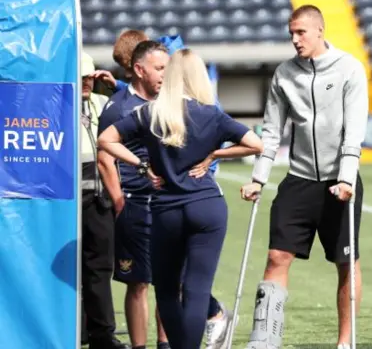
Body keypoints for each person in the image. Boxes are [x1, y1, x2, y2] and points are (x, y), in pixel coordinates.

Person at [97, 48, 263, 349]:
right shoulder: (211, 113)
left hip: (165, 209)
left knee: (166, 290)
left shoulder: (149, 113)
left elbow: (105, 140)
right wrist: (215, 152)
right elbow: (256, 144)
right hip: (207, 206)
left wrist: (142, 166)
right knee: (197, 290)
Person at [239, 4, 369, 349]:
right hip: (298, 179)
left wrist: (346, 178)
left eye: (301, 32)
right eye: (291, 33)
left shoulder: (349, 69)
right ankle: (264, 341)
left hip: (340, 181)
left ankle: (345, 343)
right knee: (277, 257)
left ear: (319, 31)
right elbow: (271, 132)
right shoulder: (284, 73)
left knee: (345, 262)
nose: (295, 40)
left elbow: (354, 131)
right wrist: (258, 178)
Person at [97, 40, 171, 349]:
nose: (165, 75)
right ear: (139, 70)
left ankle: (166, 344)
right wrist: (119, 202)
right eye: (159, 69)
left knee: (170, 280)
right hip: (134, 204)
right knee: (138, 282)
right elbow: (105, 156)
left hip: (169, 205)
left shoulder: (170, 103)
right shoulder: (118, 107)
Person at [80, 50, 130, 349]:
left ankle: (102, 334)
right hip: (68, 202)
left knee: (100, 268)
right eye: (81, 77)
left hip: (100, 200)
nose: (86, 82)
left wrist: (115, 86)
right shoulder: (55, 105)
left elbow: (136, 105)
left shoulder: (103, 102)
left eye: (89, 76)